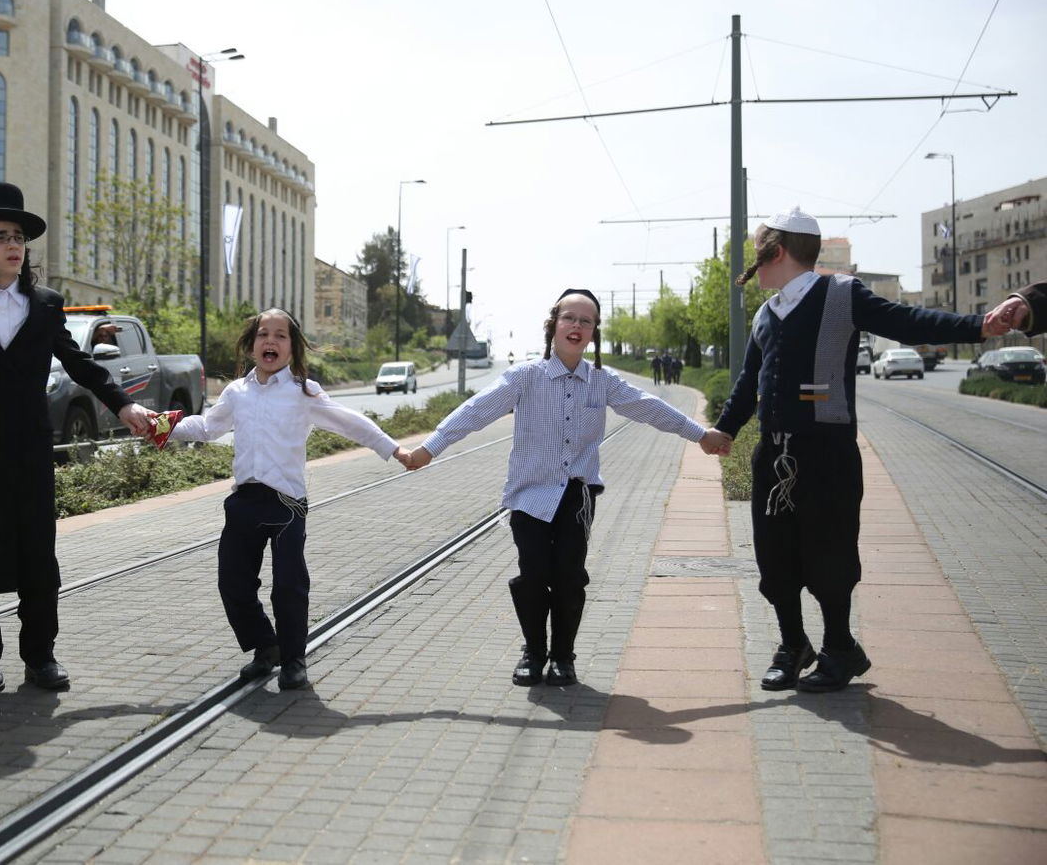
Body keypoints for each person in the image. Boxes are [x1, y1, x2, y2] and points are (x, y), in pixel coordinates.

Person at [713, 207, 1010, 693]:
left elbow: (909, 322)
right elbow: (749, 382)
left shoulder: (841, 295)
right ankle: (793, 645)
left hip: (827, 455)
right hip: (775, 456)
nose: (754, 263)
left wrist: (979, 327)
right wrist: (724, 430)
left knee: (829, 554)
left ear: (777, 252)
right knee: (775, 557)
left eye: (758, 252)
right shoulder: (767, 313)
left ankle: (839, 649)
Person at [402, 289, 732, 686]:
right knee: (533, 574)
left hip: (576, 495)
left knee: (570, 577)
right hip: (528, 495)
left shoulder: (602, 382)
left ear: (594, 333)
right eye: (569, 318)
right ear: (553, 325)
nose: (576, 326)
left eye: (586, 321)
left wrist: (700, 434)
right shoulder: (525, 378)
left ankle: (563, 656)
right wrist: (428, 449)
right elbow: (475, 412)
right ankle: (533, 651)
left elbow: (650, 407)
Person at [0, 182, 156, 694]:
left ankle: (40, 657)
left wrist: (124, 403)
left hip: (31, 450)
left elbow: (79, 364)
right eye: (1, 236)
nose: (14, 245)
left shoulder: (48, 305)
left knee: (37, 556)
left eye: (19, 237)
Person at [161, 308, 411, 690]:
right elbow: (207, 427)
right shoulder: (236, 393)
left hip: (287, 505)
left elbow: (349, 421)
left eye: (281, 336)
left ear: (293, 348)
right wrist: (159, 426)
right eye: (263, 334)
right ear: (251, 345)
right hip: (244, 501)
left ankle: (294, 660)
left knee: (289, 586)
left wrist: (394, 450)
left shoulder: (304, 393)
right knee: (233, 583)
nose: (271, 341)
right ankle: (266, 647)